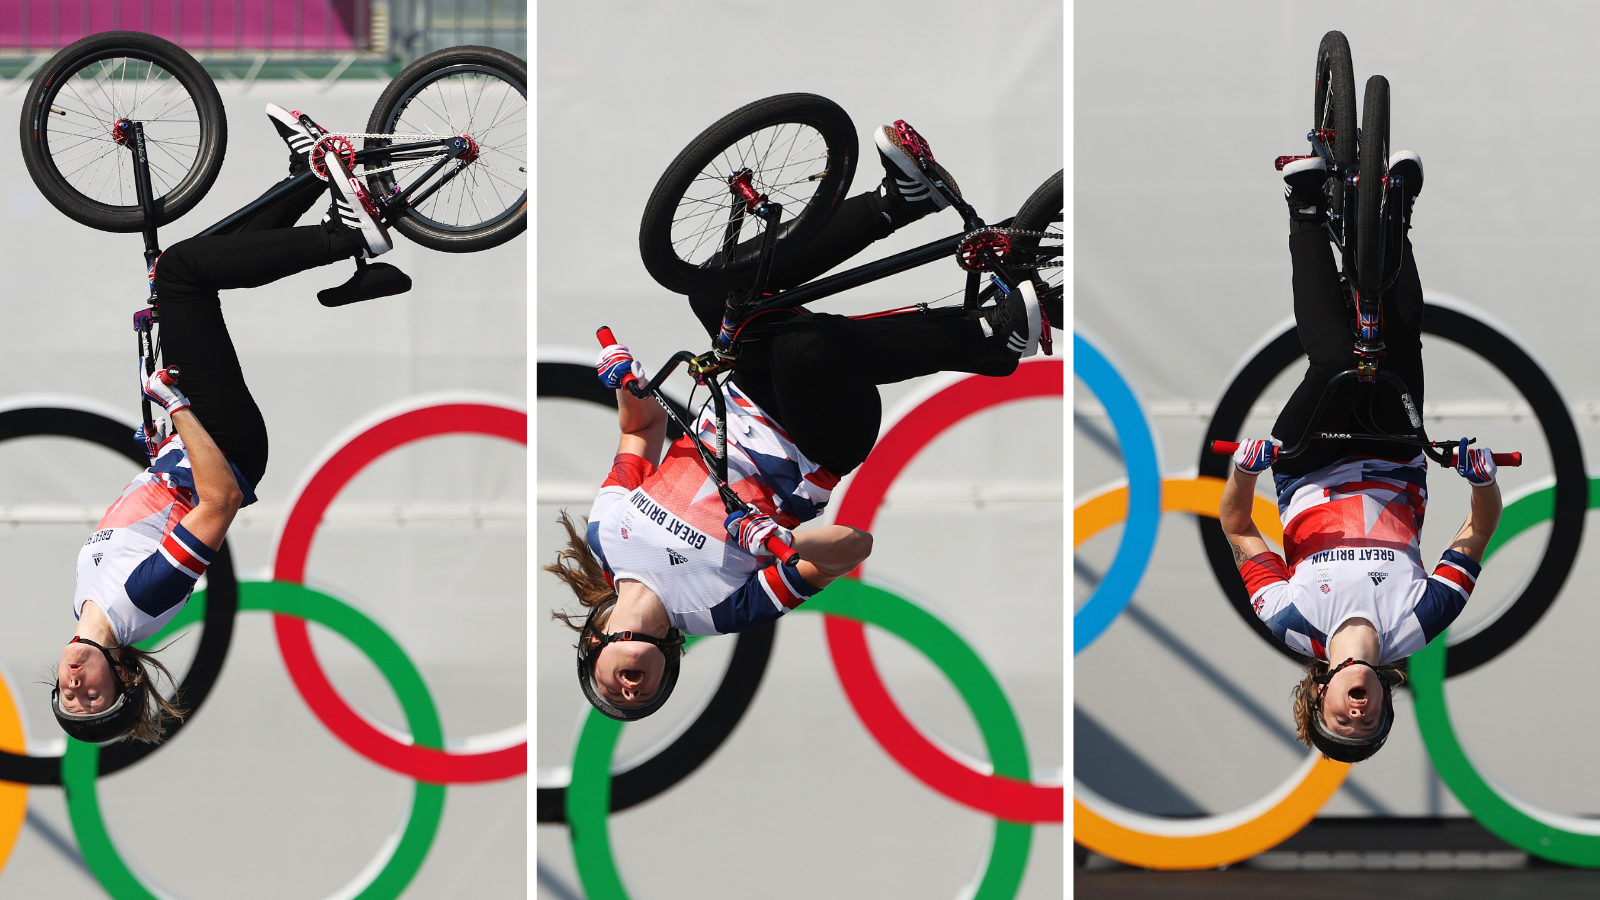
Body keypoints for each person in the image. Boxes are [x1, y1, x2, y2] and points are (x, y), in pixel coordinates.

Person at [548, 120, 1049, 720]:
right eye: (644, 699)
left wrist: (626, 383)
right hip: (819, 441)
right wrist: (783, 543)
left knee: (716, 292)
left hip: (748, 397)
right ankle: (992, 342)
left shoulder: (608, 534)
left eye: (610, 693)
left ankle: (901, 201)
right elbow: (853, 547)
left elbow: (641, 429)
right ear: (668, 667)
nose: (629, 694)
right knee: (801, 352)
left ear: (592, 649)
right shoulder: (722, 611)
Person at [54, 104, 410, 744]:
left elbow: (166, 504)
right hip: (228, 445)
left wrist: (161, 452)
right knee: (184, 275)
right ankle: (350, 237)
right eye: (93, 697)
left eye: (68, 697)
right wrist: (177, 408)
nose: (77, 687)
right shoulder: (141, 603)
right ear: (125, 679)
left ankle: (309, 180)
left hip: (196, 446)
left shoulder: (86, 606)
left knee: (189, 275)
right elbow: (220, 500)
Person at [1218, 148, 1503, 763]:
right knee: (1401, 337)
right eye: (1368, 724)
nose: (1356, 714)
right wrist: (1481, 481)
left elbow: (1239, 529)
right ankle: (1396, 209)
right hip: (1397, 454)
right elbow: (1477, 534)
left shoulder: (1291, 620)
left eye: (1340, 721)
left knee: (1332, 359)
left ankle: (1306, 205)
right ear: (1382, 704)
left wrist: (1244, 468)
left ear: (1319, 694)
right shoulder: (1420, 623)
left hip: (1308, 460)